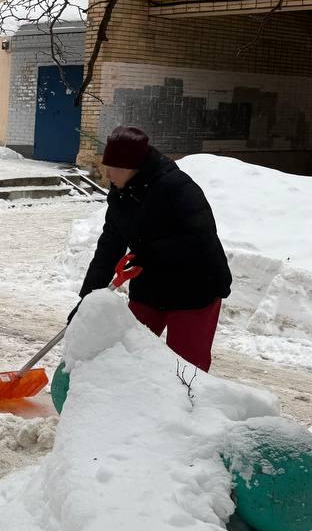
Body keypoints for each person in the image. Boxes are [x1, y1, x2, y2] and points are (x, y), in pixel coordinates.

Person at [78, 126, 232, 372]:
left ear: (129, 167)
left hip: (195, 287)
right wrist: (87, 299)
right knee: (130, 353)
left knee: (186, 369)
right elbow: (109, 247)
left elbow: (199, 240)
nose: (107, 173)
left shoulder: (177, 188)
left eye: (112, 167)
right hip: (151, 283)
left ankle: (189, 409)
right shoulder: (121, 195)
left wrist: (149, 254)